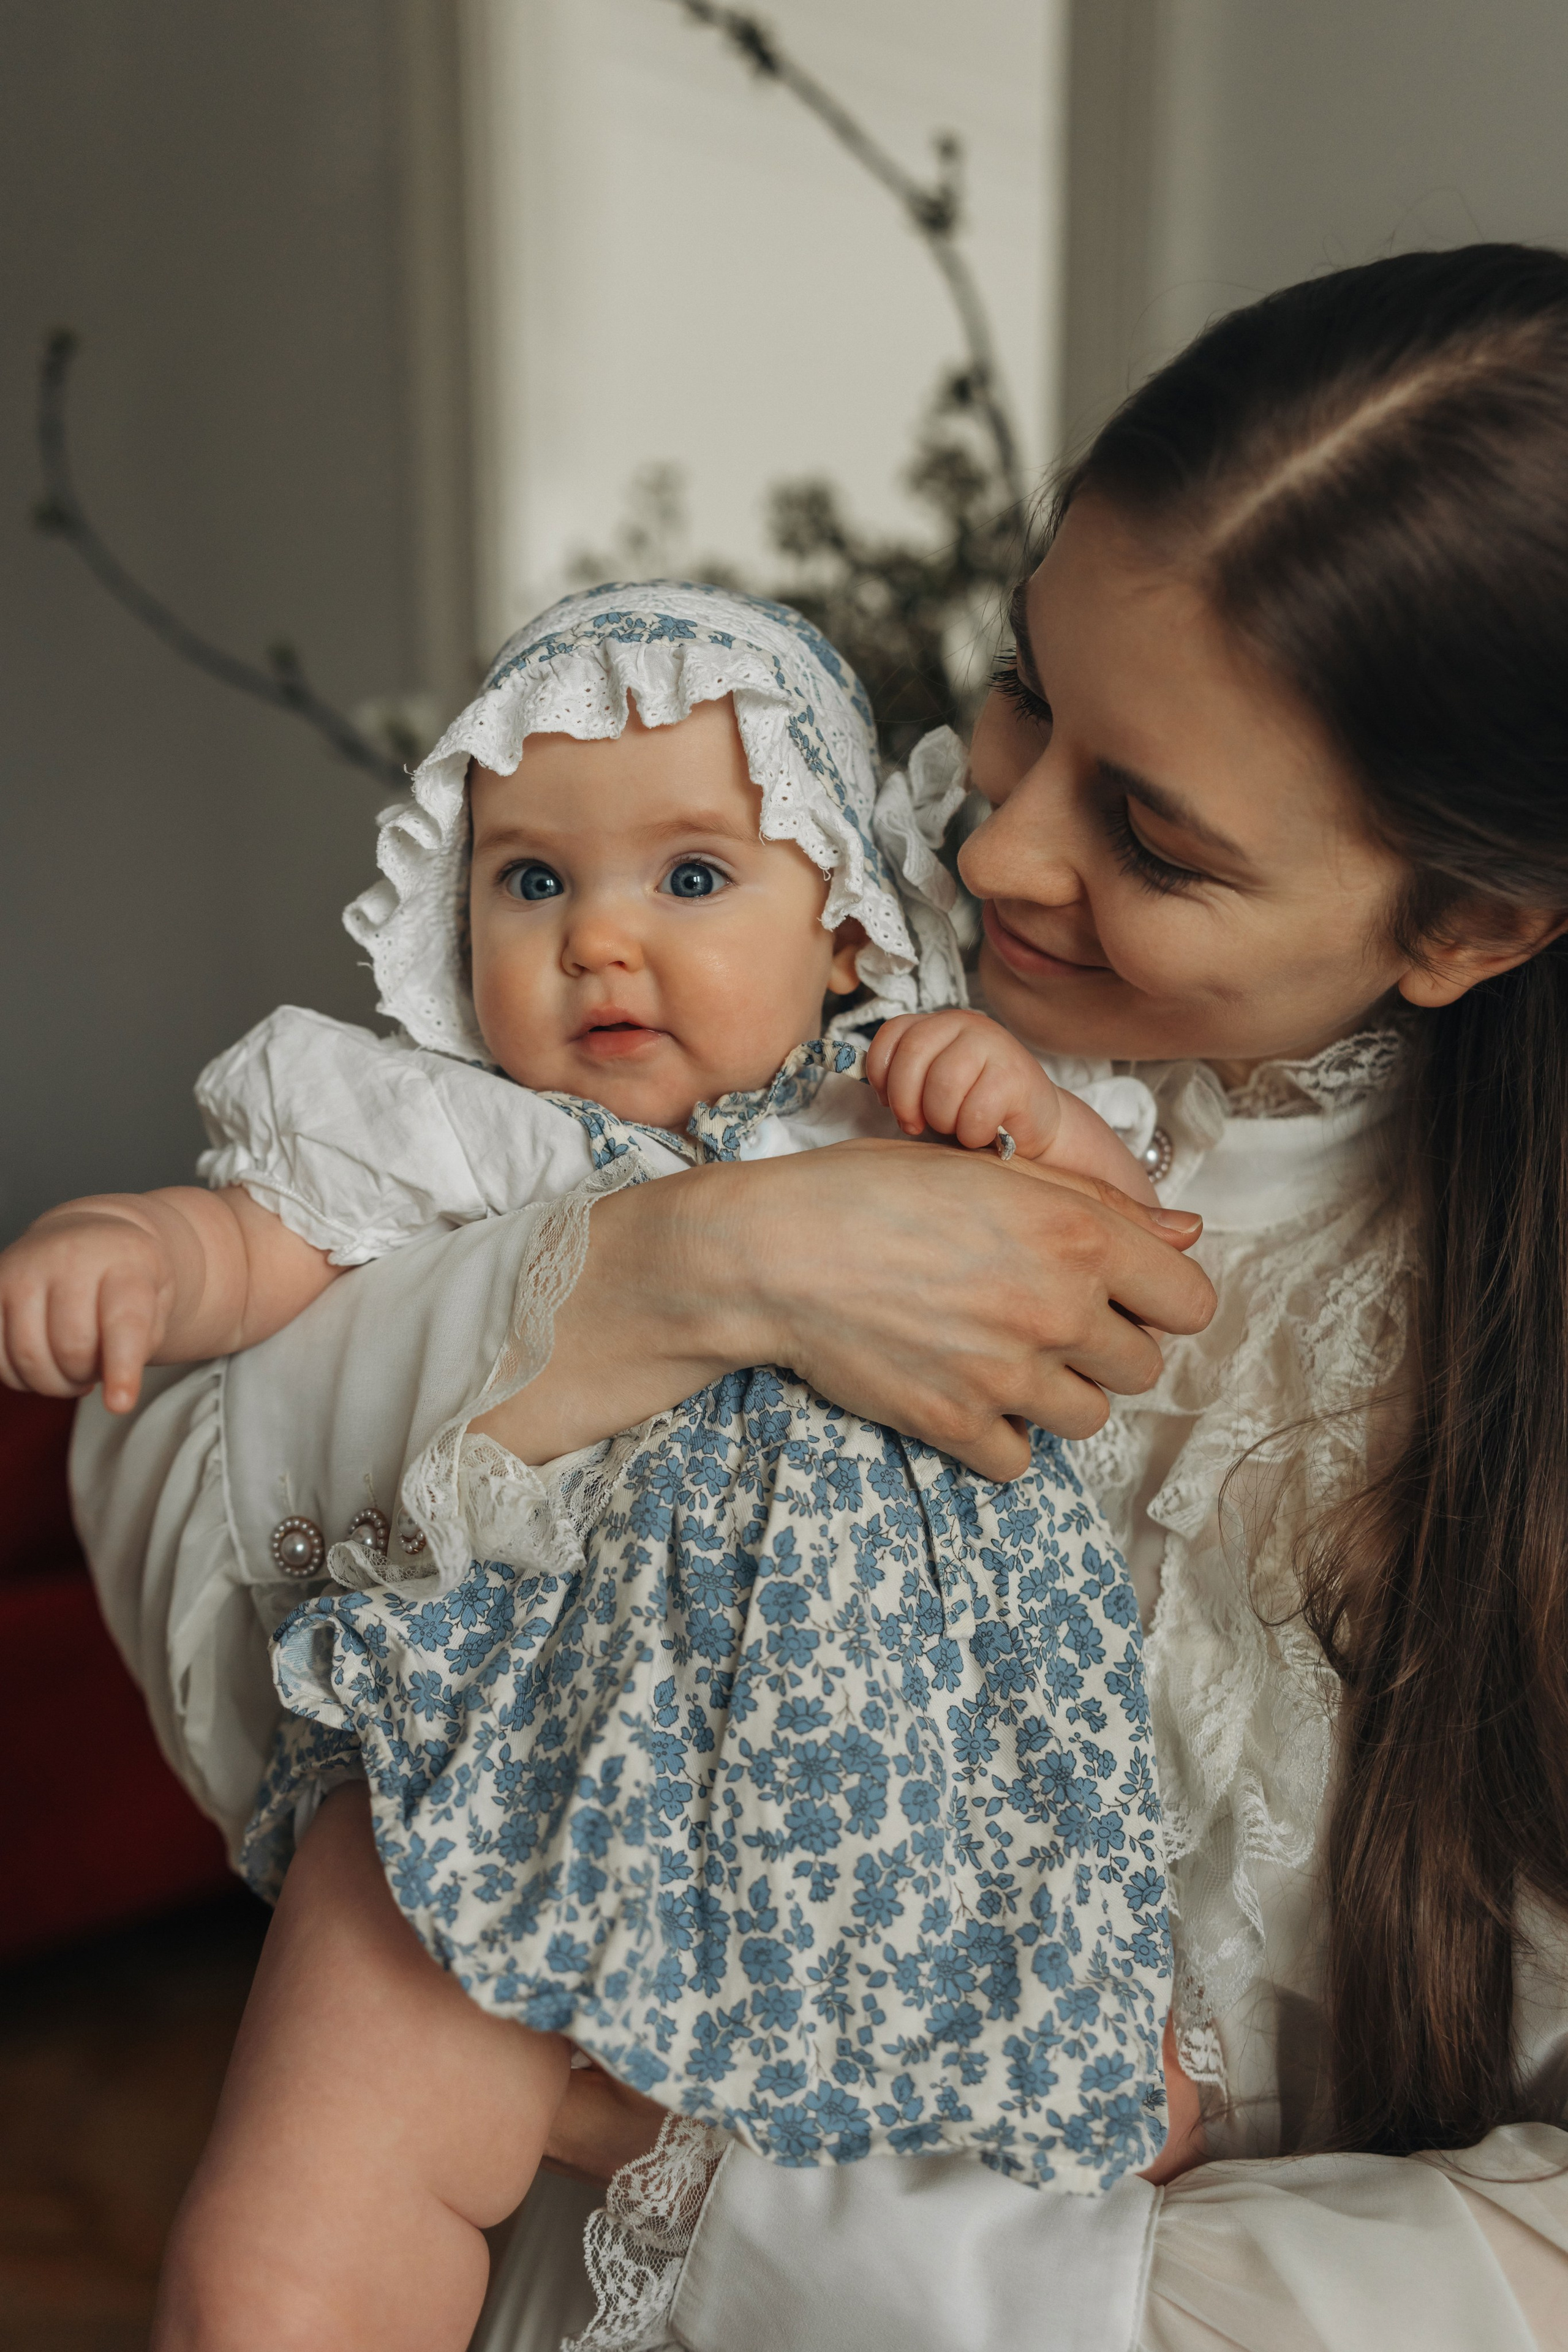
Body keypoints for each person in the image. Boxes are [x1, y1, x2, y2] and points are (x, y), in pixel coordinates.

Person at [71, 241, 1568, 2346]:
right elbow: (176, 1479)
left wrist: (771, 2206)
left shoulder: (1451, 1325)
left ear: (1472, 924)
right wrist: (697, 1267)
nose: (1004, 847)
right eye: (1028, 687)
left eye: (1155, 839)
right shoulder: (815, 901)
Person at [6, 583, 1201, 2352]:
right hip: (507, 1736)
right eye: (533, 882)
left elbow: (1135, 1277)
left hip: (889, 1775)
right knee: (294, 2248)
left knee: (1093, 2123)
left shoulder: (903, 1100)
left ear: (848, 924)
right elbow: (264, 1244)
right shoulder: (475, 1133)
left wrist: (1032, 1121)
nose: (599, 943)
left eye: (693, 876)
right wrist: (129, 1250)